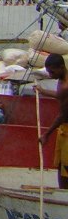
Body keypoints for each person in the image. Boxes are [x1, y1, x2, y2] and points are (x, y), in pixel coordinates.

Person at [38, 53, 68, 188]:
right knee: (60, 164)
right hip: (64, 129)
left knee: (65, 168)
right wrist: (43, 91)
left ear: (62, 67)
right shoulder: (62, 82)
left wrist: (46, 134)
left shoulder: (66, 86)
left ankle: (64, 194)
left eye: (52, 72)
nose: (50, 75)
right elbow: (60, 97)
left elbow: (62, 114)